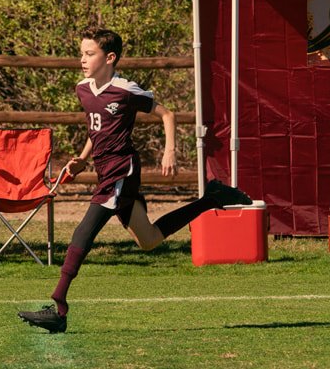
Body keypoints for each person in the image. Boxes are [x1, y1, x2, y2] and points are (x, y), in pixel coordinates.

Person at [17, 28, 252, 333]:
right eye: (82, 54)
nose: (83, 60)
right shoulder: (83, 89)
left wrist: (170, 151)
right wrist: (83, 159)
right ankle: (213, 199)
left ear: (110, 57)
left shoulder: (126, 90)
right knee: (150, 240)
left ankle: (59, 307)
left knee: (82, 232)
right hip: (105, 171)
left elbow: (167, 114)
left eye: (90, 54)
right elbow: (96, 129)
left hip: (122, 170)